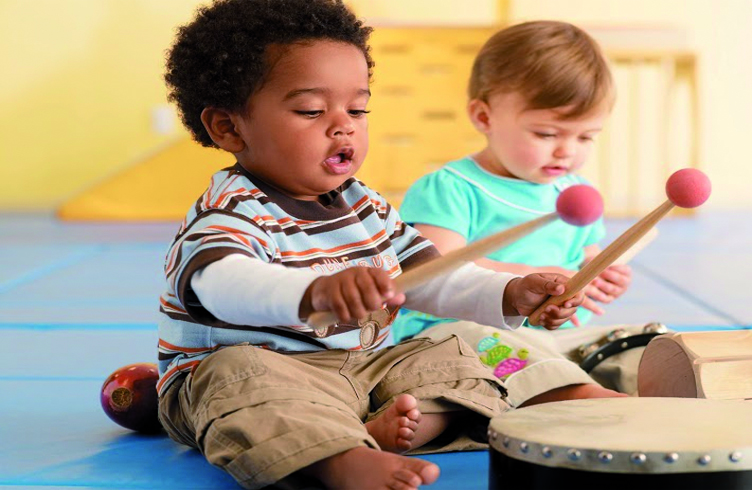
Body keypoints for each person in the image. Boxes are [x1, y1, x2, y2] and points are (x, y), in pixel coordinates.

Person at [156, 3, 586, 489]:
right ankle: (339, 460)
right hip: (264, 375)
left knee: (451, 352)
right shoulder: (230, 210)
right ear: (229, 128)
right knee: (237, 375)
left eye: (358, 109)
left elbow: (429, 280)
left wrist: (511, 293)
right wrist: (316, 292)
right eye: (311, 111)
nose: (344, 126)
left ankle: (374, 430)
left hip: (360, 369)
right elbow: (224, 284)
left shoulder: (366, 206)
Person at [392, 21, 642, 406]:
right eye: (546, 134)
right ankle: (577, 398)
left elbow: (585, 258)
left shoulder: (577, 193)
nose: (567, 151)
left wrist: (600, 273)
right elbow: (434, 270)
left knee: (641, 343)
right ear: (484, 117)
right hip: (455, 334)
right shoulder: (450, 187)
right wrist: (533, 278)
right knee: (506, 352)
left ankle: (658, 389)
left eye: (585, 137)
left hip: (550, 339)